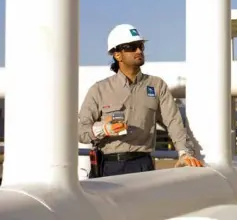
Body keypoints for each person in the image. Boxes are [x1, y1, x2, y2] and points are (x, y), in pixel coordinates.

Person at [78, 24, 203, 177]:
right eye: (131, 47)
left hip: (143, 164)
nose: (139, 51)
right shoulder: (99, 89)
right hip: (108, 167)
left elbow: (173, 122)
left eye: (141, 46)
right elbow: (80, 131)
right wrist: (103, 129)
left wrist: (184, 153)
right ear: (117, 55)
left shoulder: (156, 86)